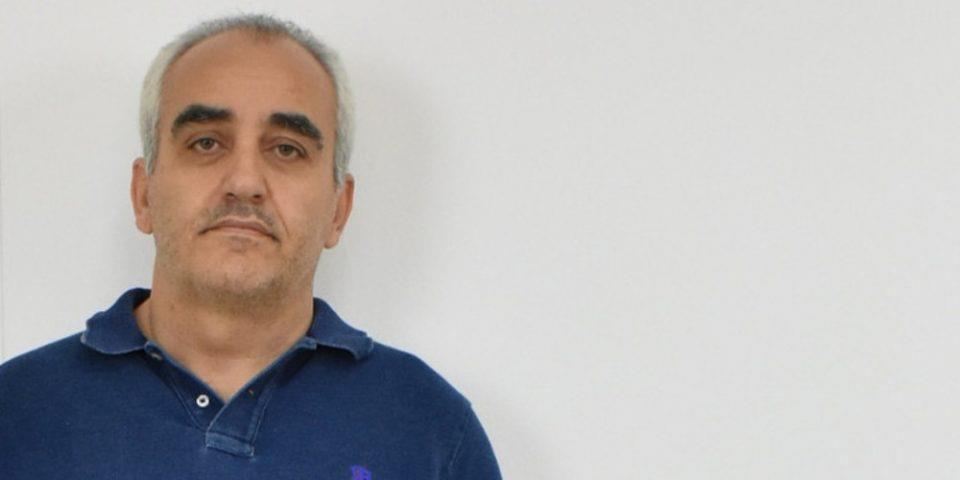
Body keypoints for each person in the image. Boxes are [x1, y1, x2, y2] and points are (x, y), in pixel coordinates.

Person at [0, 14, 501, 479]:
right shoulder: (16, 414)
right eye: (206, 143)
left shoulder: (430, 430)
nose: (244, 182)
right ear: (143, 193)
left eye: (286, 148)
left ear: (339, 209)